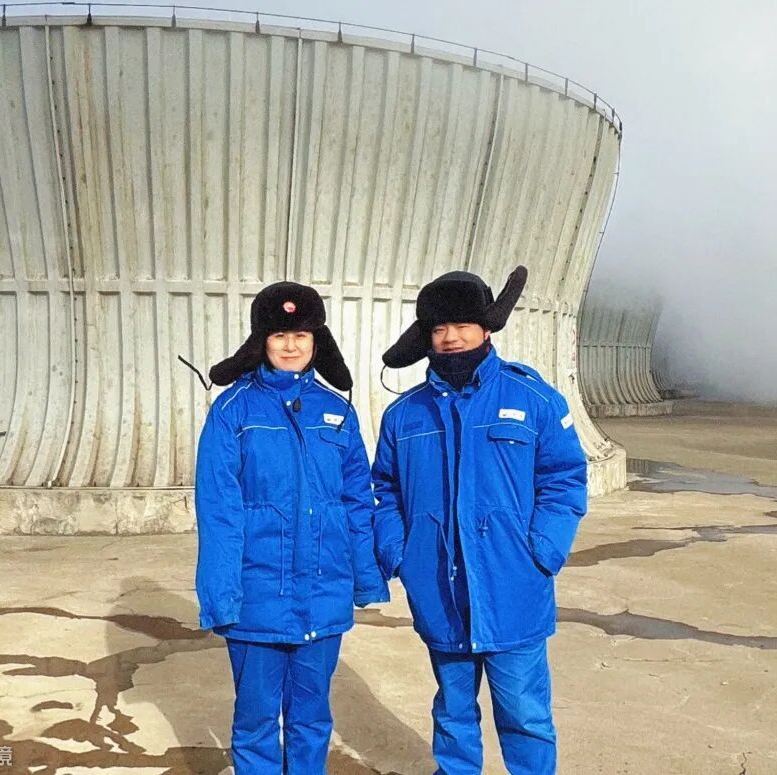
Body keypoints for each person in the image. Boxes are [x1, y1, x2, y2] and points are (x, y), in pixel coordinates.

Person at [372, 266, 588, 774]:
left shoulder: (533, 400)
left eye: (462, 325)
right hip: (439, 590)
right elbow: (384, 490)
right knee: (453, 712)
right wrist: (401, 555)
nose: (451, 338)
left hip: (514, 587)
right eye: (439, 328)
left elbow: (564, 480)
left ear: (486, 328)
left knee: (525, 714)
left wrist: (542, 550)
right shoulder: (405, 415)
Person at [194, 281, 388, 774]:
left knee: (311, 717)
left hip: (323, 594)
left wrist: (366, 578)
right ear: (261, 340)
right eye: (280, 335)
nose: (290, 345)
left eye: (301, 335)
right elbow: (219, 511)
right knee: (256, 719)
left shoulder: (338, 412)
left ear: (316, 341)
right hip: (257, 595)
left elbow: (356, 501)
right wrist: (221, 595)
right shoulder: (232, 412)